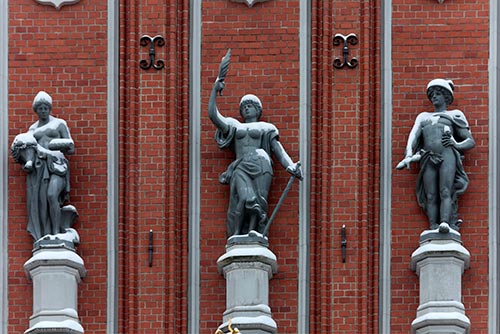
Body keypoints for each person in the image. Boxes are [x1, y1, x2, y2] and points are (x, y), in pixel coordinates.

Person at [208, 80, 303, 237]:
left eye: (250, 105)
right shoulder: (234, 125)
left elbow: (278, 150)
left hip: (261, 164)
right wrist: (214, 90)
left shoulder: (266, 128)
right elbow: (213, 115)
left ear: (258, 109)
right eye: (244, 106)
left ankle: (256, 233)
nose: (246, 108)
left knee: (259, 202)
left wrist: (290, 166)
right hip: (241, 166)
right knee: (244, 199)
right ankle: (236, 235)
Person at [397, 79, 475, 233]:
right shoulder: (423, 117)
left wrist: (456, 144)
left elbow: (470, 141)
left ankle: (445, 222)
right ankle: (433, 226)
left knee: (445, 190)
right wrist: (409, 154)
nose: (434, 97)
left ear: (446, 97)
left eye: (438, 94)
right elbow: (413, 136)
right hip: (427, 157)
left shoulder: (455, 115)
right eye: (432, 94)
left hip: (447, 154)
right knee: (430, 194)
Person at [11, 91, 76, 240]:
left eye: (45, 107)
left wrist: (57, 146)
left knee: (52, 195)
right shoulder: (32, 130)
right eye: (40, 108)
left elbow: (71, 148)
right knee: (41, 201)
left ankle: (56, 233)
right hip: (40, 168)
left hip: (57, 165)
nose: (43, 111)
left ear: (50, 108)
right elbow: (26, 150)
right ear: (36, 110)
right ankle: (45, 232)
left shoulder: (59, 124)